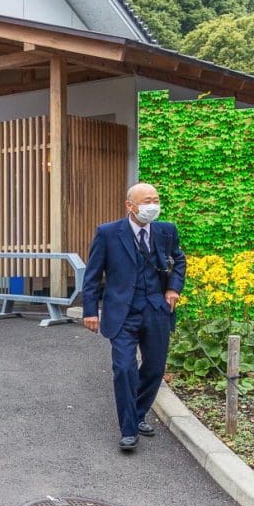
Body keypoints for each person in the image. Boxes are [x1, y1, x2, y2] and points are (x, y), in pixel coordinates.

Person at [82, 182, 187, 451]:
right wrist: (90, 311)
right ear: (130, 205)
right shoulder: (107, 233)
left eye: (156, 199)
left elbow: (179, 260)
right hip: (122, 313)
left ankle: (139, 414)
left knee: (154, 368)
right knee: (124, 369)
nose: (153, 205)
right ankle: (128, 430)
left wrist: (173, 289)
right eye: (147, 200)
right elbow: (93, 275)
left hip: (156, 310)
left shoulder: (166, 231)